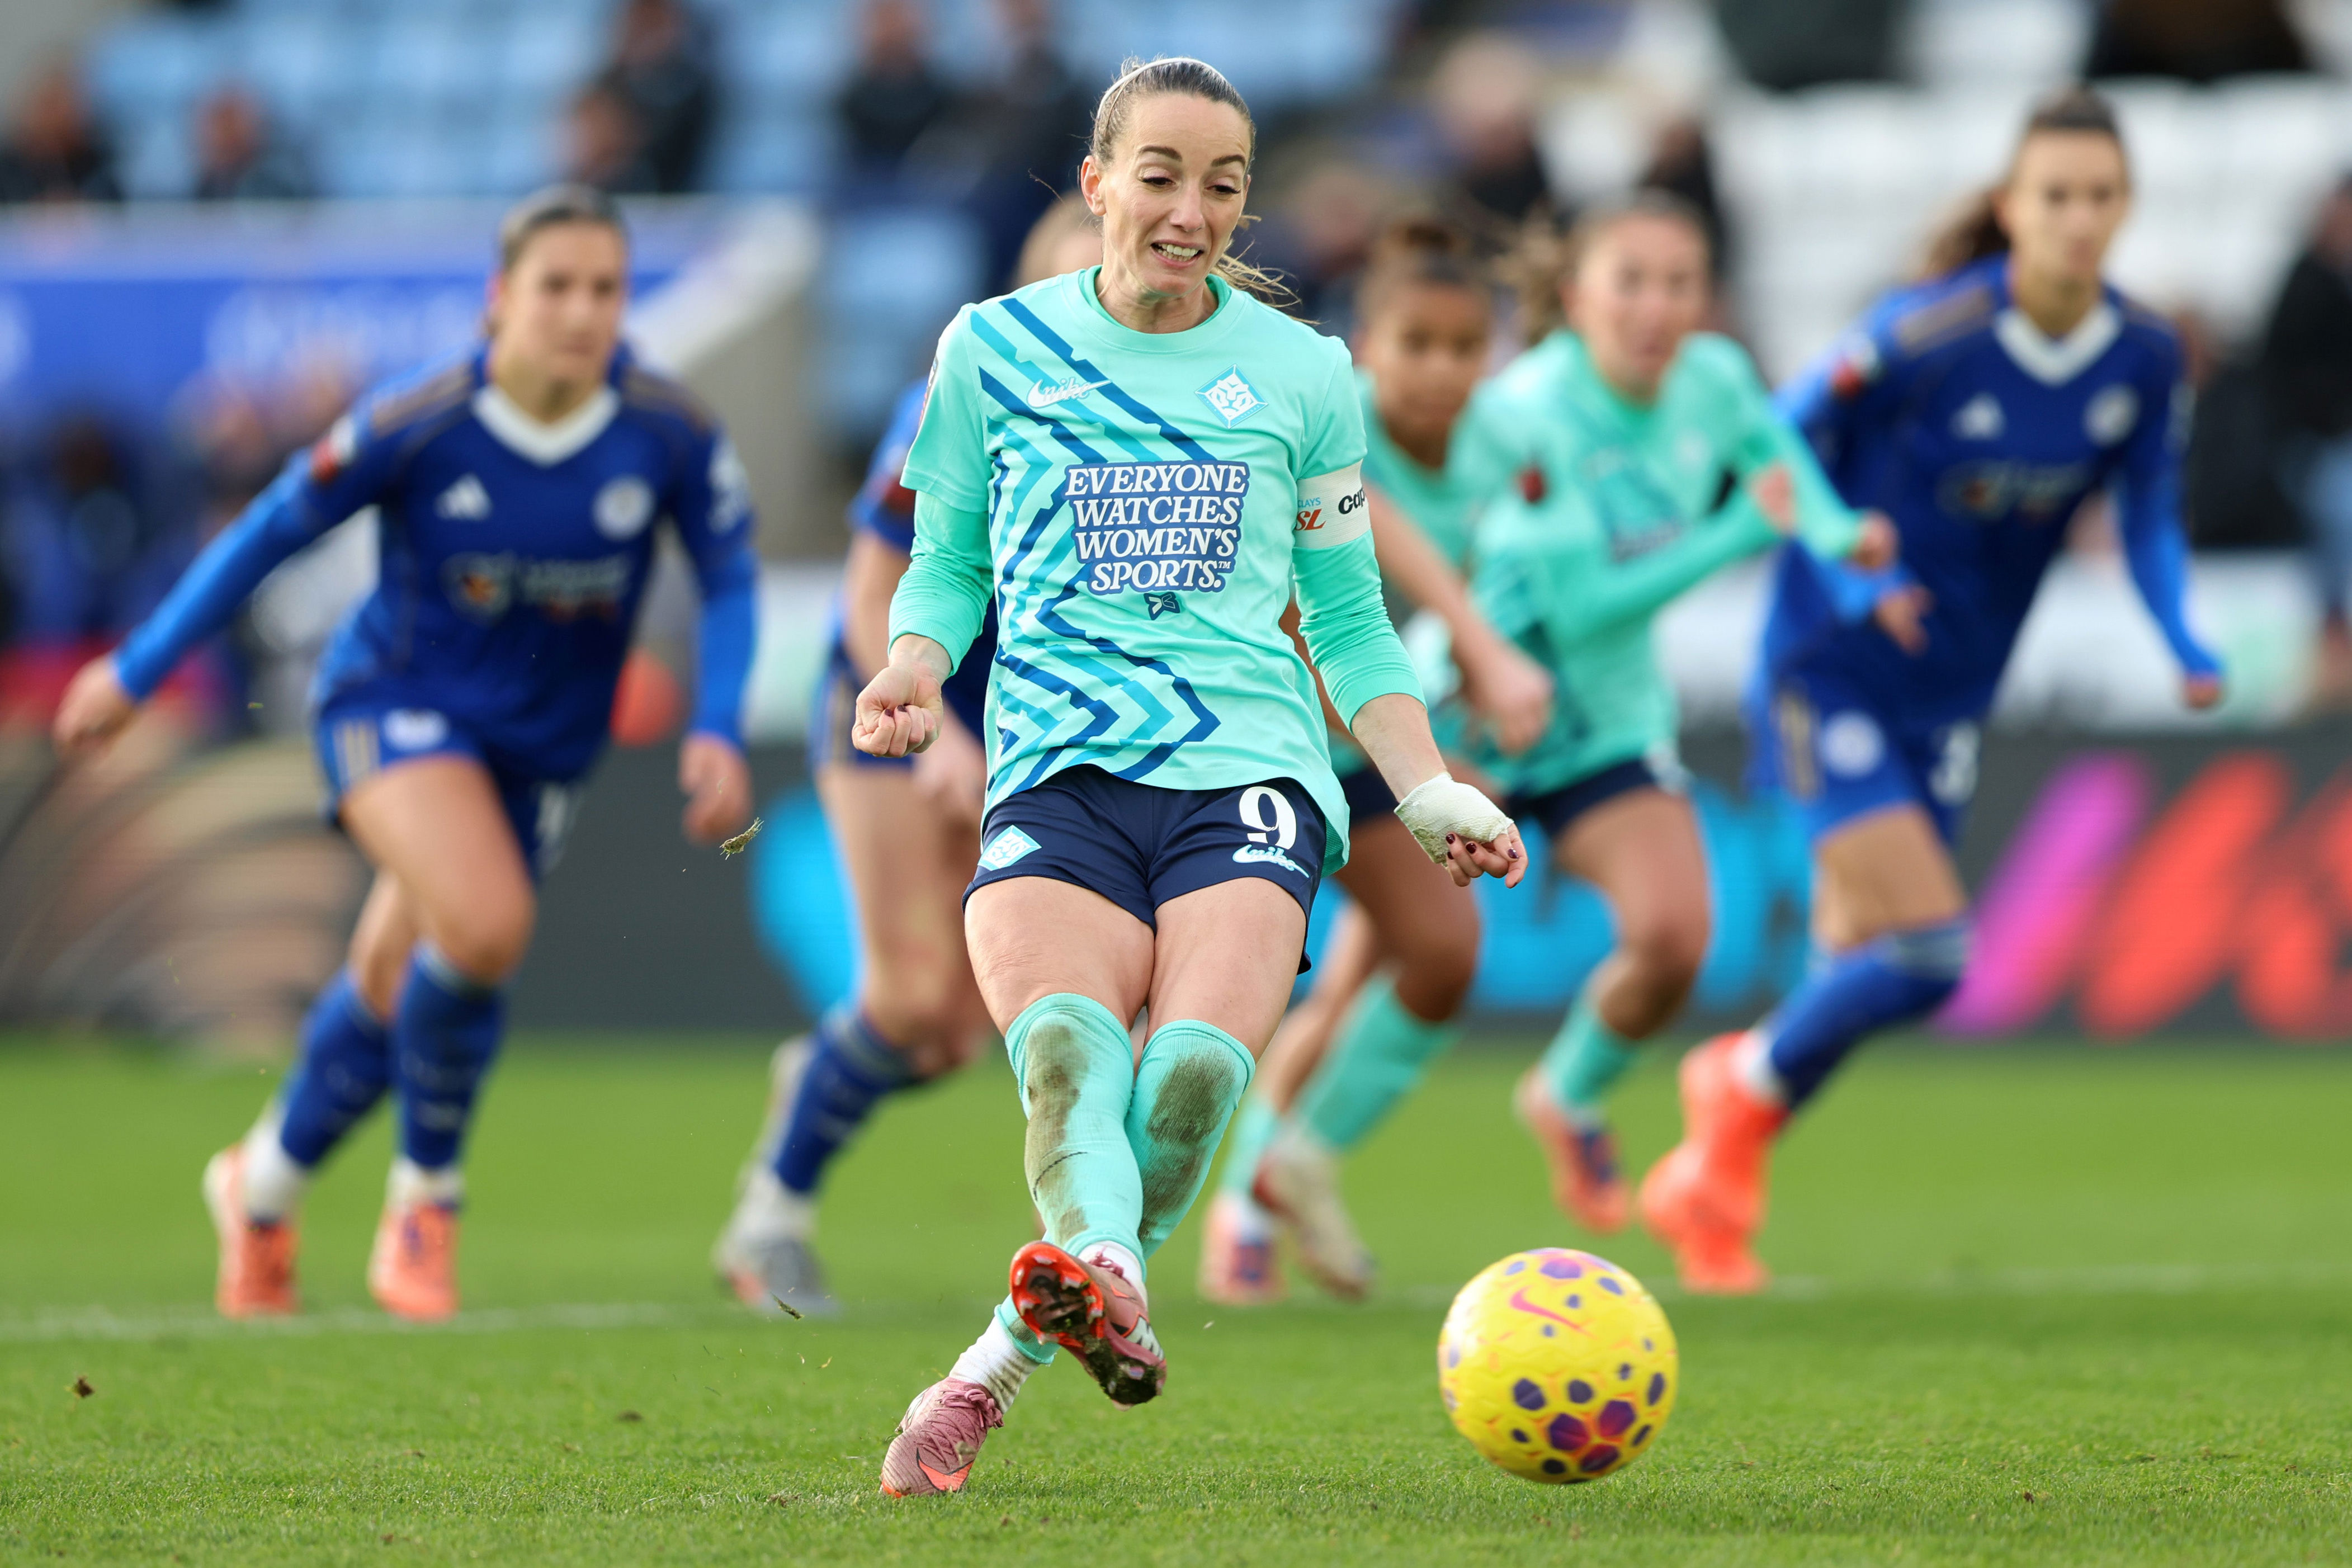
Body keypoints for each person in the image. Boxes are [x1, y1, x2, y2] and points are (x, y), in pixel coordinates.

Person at [857, 58, 1525, 1498]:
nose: (1190, 208)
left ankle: (994, 1361)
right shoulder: (991, 350)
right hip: (1056, 771)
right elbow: (950, 556)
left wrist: (1423, 785)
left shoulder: (1303, 372)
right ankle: (1064, 1308)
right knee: (1063, 1059)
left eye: (1222, 183)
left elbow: (1347, 619)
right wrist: (916, 666)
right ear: (1097, 183)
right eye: (1159, 174)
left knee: (1194, 1076)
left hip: (1249, 776)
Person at [51, 185, 759, 1322]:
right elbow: (266, 534)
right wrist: (135, 670)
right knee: (482, 924)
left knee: (394, 976)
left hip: (542, 748)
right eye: (557, 287)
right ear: (499, 300)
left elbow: (726, 572)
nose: (584, 313)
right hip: (393, 701)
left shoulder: (666, 430)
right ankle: (426, 1199)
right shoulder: (419, 421)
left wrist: (717, 725)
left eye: (607, 290)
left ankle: (262, 1184)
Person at [1640, 87, 2224, 1295]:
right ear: (2013, 206)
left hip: (1951, 696)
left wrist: (2182, 636)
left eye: (2099, 197)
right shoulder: (1923, 335)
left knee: (1855, 963)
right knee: (1930, 951)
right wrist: (1856, 576)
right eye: (2054, 195)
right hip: (1827, 667)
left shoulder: (2142, 357)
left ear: (2125, 209)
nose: (2077, 219)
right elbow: (1778, 440)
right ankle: (1732, 1089)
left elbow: (2151, 511)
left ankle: (1711, 1190)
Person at [710, 194, 1102, 1317]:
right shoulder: (964, 389)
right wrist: (938, 724)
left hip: (1029, 729)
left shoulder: (1157, 422)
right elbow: (873, 585)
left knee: (945, 1037)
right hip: (897, 701)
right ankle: (767, 1221)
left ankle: (824, 1074)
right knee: (908, 994)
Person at [1198, 215, 1555, 1305]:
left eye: (1465, 345)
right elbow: (1378, 533)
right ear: (1367, 346)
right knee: (1239, 998)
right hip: (1259, 737)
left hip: (1367, 747)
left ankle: (1282, 1169)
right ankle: (1202, 1207)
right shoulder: (1325, 410)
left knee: (1429, 957)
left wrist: (1481, 674)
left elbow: (1515, 561)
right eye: (1418, 343)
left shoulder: (1501, 448)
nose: (1444, 370)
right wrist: (1479, 652)